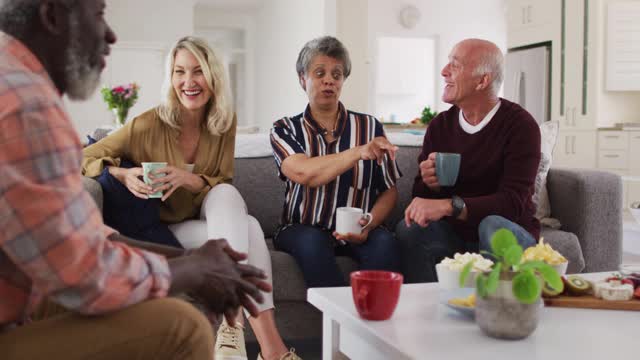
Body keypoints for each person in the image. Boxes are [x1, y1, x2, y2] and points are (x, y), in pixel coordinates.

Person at [0, 1, 271, 359]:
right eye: (98, 15)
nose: (111, 34)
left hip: (26, 292)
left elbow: (74, 239)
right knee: (182, 323)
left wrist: (190, 260)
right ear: (52, 17)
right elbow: (82, 268)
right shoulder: (28, 105)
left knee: (242, 220)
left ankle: (247, 338)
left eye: (198, 72)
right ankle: (238, 337)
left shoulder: (16, 82)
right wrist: (186, 269)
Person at [82, 36, 298, 360]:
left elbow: (222, 180)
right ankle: (267, 348)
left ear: (212, 75)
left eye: (197, 71)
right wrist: (122, 174)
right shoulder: (148, 123)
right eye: (179, 72)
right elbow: (84, 155)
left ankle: (231, 332)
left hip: (210, 220)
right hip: (169, 228)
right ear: (171, 79)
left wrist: (189, 178)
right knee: (251, 230)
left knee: (228, 195)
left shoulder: (223, 121)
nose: (188, 81)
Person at [395, 38, 541, 283]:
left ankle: (498, 310)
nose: (444, 72)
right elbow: (421, 198)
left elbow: (513, 203)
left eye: (455, 65)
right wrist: (431, 185)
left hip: (507, 232)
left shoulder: (520, 125)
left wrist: (450, 205)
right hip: (454, 235)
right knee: (410, 228)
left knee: (492, 226)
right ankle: (434, 310)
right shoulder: (440, 125)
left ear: (482, 81)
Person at [270, 36, 402, 288]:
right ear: (302, 79)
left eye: (336, 74)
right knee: (312, 243)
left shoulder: (369, 126)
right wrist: (357, 152)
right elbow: (304, 173)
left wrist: (370, 223)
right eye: (319, 73)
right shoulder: (285, 128)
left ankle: (377, 323)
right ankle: (340, 324)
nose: (329, 80)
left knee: (385, 244)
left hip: (359, 230)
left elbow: (389, 190)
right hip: (302, 228)